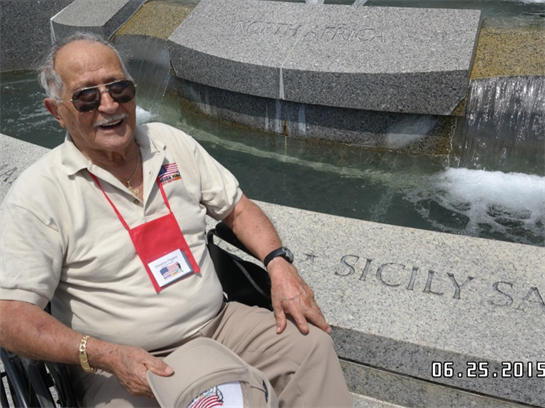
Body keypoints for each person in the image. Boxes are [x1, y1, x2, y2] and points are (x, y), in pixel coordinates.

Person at [0, 32, 352, 408]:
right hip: (119, 361)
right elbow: (9, 316)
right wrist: (101, 353)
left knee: (310, 347)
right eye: (87, 96)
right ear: (56, 111)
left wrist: (279, 265)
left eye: (120, 89)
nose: (109, 105)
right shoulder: (39, 192)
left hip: (219, 326)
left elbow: (239, 208)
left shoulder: (169, 142)